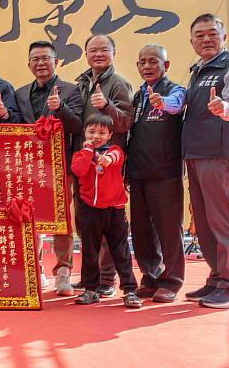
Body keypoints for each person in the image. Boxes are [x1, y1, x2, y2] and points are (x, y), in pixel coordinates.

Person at [182, 14, 229, 309]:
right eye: (199, 35)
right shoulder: (197, 70)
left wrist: (224, 108)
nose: (206, 39)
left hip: (219, 155)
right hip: (196, 154)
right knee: (205, 224)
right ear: (192, 41)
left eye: (212, 34)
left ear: (224, 38)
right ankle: (217, 277)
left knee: (223, 222)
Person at [14, 41, 83, 296]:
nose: (40, 63)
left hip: (59, 165)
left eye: (46, 58)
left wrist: (60, 108)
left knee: (60, 218)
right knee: (29, 217)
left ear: (56, 61)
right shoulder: (20, 93)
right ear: (29, 64)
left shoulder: (70, 91)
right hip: (28, 166)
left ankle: (63, 271)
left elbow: (77, 126)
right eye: (35, 59)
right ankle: (35, 269)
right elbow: (16, 125)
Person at [73, 33, 135, 297]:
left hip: (108, 164)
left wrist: (107, 106)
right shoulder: (80, 83)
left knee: (111, 228)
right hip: (84, 160)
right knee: (86, 224)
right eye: (93, 50)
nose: (98, 54)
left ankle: (107, 279)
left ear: (114, 52)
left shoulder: (120, 84)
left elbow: (125, 123)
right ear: (86, 54)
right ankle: (92, 278)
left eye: (103, 50)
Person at [127, 44, 186, 303]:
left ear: (166, 65)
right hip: (138, 172)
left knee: (168, 230)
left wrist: (164, 103)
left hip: (165, 172)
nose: (147, 66)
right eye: (142, 62)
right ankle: (150, 276)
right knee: (141, 231)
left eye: (153, 61)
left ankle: (171, 281)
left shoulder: (175, 91)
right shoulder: (137, 97)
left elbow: (176, 105)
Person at [71, 114, 142, 309]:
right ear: (85, 132)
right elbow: (78, 170)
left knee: (121, 252)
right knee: (90, 252)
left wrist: (107, 159)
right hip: (91, 211)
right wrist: (88, 149)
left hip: (115, 211)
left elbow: (116, 158)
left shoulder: (115, 150)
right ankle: (90, 289)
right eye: (92, 131)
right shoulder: (81, 154)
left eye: (102, 133)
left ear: (110, 135)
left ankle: (130, 291)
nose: (96, 136)